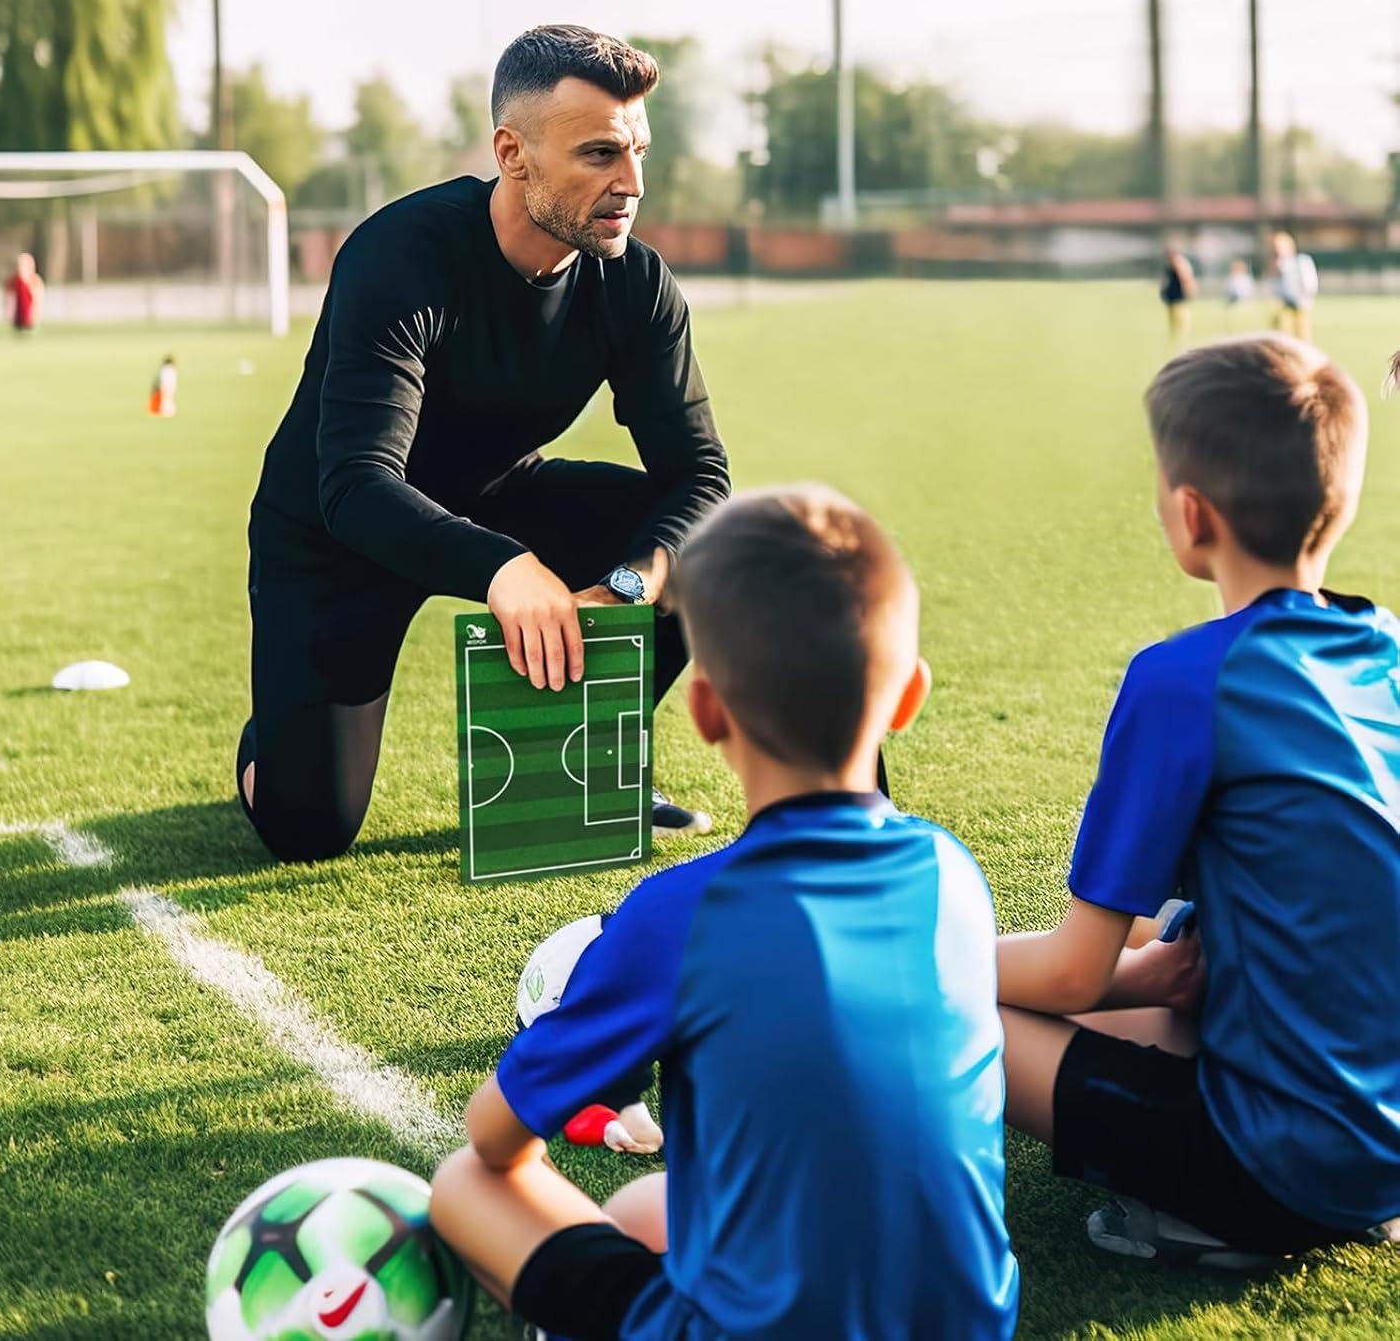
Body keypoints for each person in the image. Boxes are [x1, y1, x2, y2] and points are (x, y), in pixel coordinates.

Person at [430, 486, 1018, 1341]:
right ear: (907, 698)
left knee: (465, 1184)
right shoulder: (951, 870)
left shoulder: (681, 914)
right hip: (969, 1325)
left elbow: (495, 1136)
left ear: (706, 712)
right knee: (644, 1208)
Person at [237, 26, 731, 862]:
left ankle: (587, 758)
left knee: (700, 547)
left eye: (638, 151)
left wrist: (627, 585)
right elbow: (357, 482)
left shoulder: (636, 283)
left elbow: (700, 477)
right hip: (338, 528)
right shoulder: (401, 254)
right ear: (512, 154)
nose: (632, 183)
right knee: (306, 827)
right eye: (600, 154)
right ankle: (274, 746)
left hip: (497, 492)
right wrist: (505, 567)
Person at [997, 334, 1399, 1268]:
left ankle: (1204, 1215)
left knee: (928, 1004)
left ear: (1189, 512)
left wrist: (917, 956)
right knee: (1158, 937)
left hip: (1275, 1172)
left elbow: (1072, 973)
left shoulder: (1183, 680)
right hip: (1385, 1144)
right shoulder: (1382, 649)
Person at [1270, 229, 1319, 341]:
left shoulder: (1301, 261)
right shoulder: (1277, 264)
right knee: (1283, 336)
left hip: (1300, 302)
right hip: (1284, 303)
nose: (1278, 250)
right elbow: (1274, 285)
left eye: (1280, 246)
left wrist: (1305, 298)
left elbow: (1310, 282)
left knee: (1303, 336)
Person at [1159, 244, 1197, 341]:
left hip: (1178, 297)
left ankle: (1182, 340)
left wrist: (1189, 291)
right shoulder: (1171, 264)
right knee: (1174, 323)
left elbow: (1186, 278)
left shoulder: (1179, 262)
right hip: (1171, 297)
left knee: (1181, 322)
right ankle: (1175, 339)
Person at [5, 252, 44, 333]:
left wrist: (35, 316)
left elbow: (37, 300)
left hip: (29, 319)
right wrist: (9, 316)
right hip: (17, 319)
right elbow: (9, 300)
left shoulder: (35, 280)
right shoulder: (13, 281)